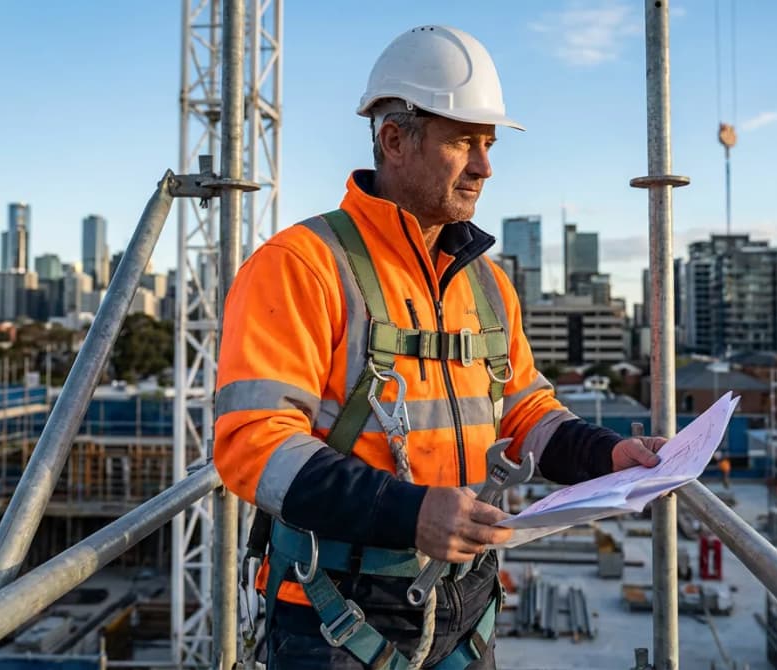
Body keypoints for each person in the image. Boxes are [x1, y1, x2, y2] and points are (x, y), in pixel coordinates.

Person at [215, 25, 666, 670]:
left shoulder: (486, 283)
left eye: (487, 143)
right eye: (463, 141)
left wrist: (608, 454)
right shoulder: (301, 266)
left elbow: (525, 413)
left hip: (466, 604)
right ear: (394, 139)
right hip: (337, 609)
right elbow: (252, 444)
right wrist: (409, 512)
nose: (485, 165)